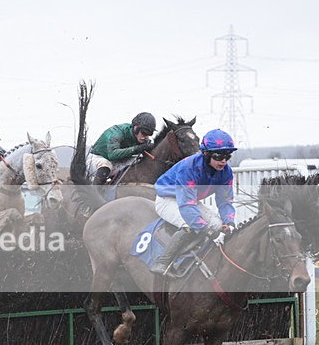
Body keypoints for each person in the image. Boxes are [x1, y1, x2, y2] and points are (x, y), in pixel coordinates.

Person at [149, 128, 237, 275]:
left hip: (189, 199)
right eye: (218, 155)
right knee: (190, 225)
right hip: (167, 199)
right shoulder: (188, 167)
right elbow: (187, 205)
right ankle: (162, 261)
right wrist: (205, 228)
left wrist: (229, 222)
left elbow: (225, 202)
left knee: (217, 225)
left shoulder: (226, 172)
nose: (223, 161)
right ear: (206, 154)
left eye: (227, 156)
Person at [87, 112, 156, 185]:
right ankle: (94, 193)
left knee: (138, 162)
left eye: (149, 134)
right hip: (97, 159)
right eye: (144, 133)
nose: (146, 137)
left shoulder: (143, 139)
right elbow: (112, 154)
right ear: (135, 128)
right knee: (106, 165)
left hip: (117, 162)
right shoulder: (117, 132)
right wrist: (137, 149)